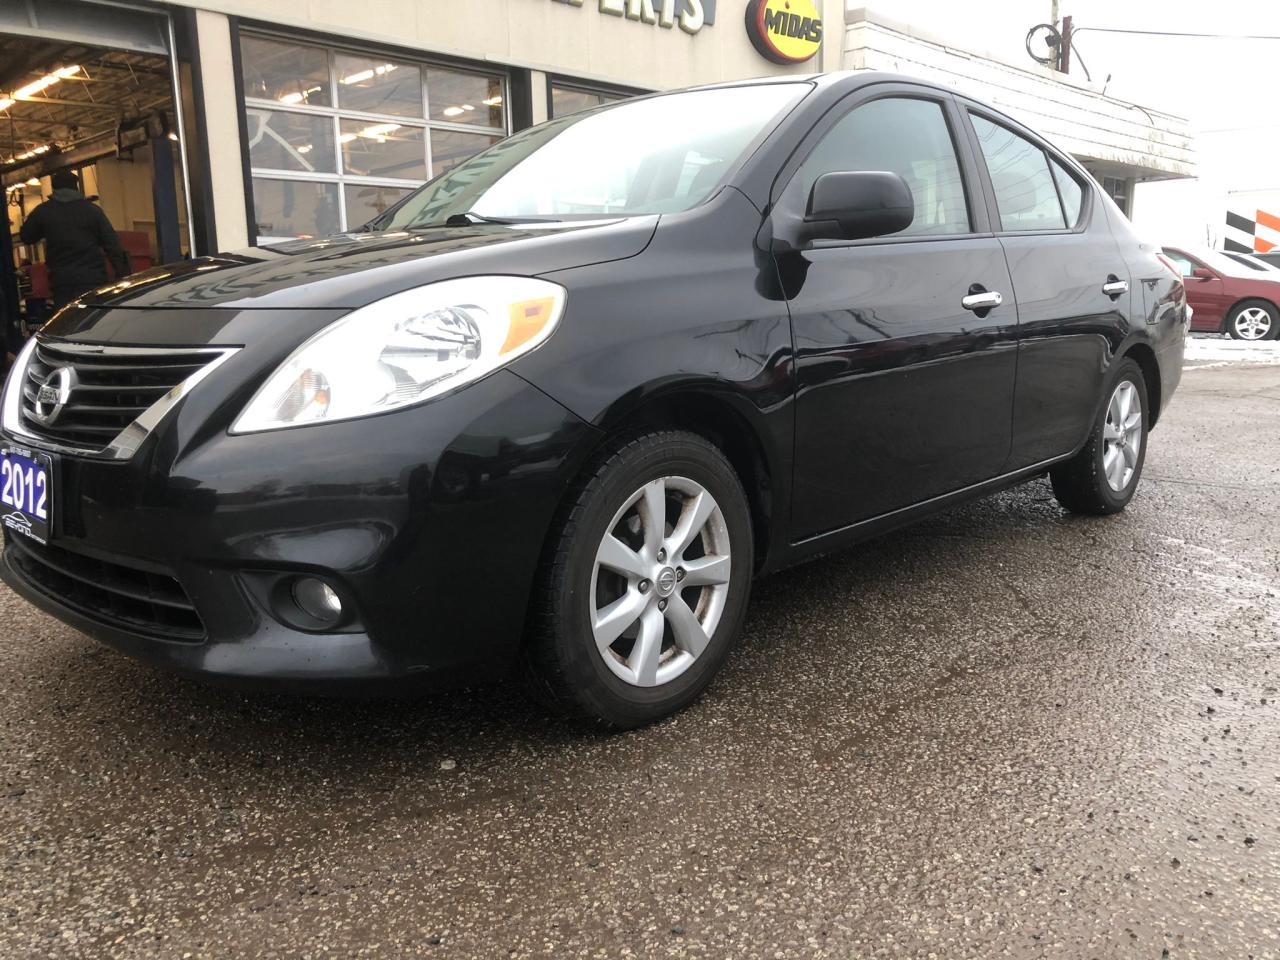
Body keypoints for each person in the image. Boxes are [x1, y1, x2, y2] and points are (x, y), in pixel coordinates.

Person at [19, 170, 129, 309]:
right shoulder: (93, 211)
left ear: (54, 188)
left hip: (62, 282)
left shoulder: (43, 212)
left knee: (68, 324)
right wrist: (122, 274)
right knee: (93, 320)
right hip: (92, 280)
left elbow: (26, 237)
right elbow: (112, 244)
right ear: (76, 187)